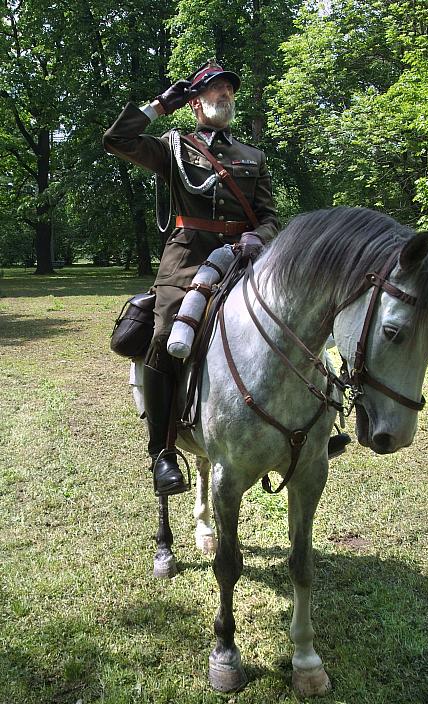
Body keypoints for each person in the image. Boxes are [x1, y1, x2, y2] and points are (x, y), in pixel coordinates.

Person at [103, 61, 279, 496]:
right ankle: (163, 452)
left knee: (298, 319)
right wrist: (161, 106)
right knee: (165, 335)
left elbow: (272, 217)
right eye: (215, 90)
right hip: (186, 260)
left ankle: (314, 426)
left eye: (229, 90)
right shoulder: (174, 147)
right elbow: (117, 139)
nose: (225, 96)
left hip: (243, 260)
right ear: (196, 101)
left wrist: (258, 237)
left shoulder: (252, 157)